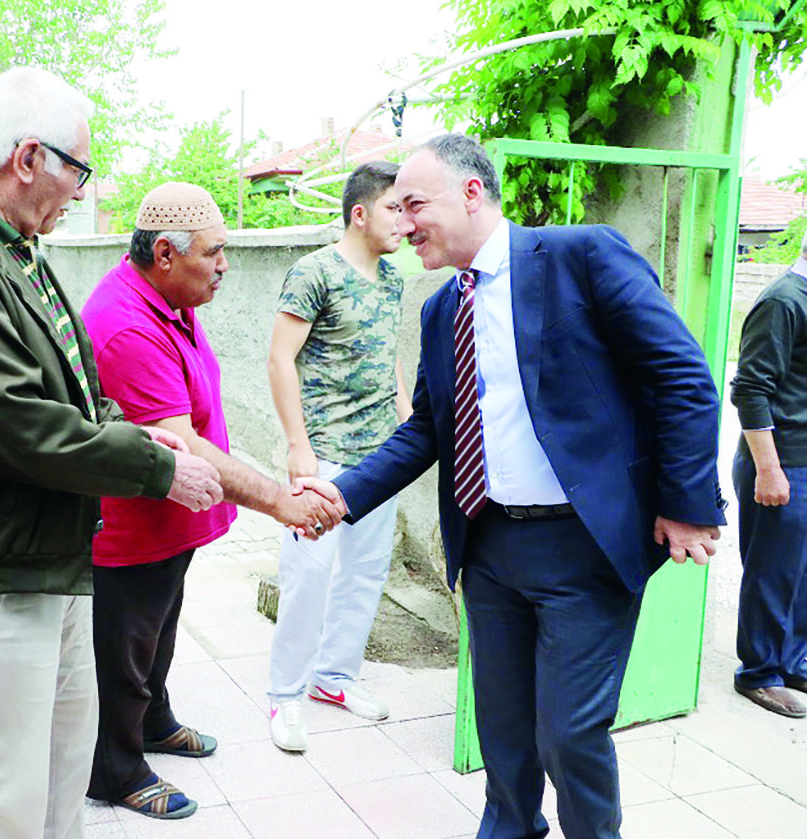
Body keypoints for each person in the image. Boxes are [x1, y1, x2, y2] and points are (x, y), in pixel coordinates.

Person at [327, 134, 725, 839]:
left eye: (414, 203)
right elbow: (427, 430)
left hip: (584, 546)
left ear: (472, 192)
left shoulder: (582, 257)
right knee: (504, 733)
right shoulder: (440, 309)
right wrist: (341, 495)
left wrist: (686, 504)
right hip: (490, 550)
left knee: (569, 735)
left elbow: (683, 376)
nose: (403, 221)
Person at [0, 70, 224, 839]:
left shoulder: (15, 249)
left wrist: (137, 434)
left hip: (51, 561)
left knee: (62, 777)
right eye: (79, 170)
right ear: (30, 157)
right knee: (3, 801)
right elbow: (21, 423)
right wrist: (161, 466)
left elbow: (80, 388)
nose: (79, 191)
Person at [80, 182, 341, 819]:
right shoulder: (125, 326)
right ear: (165, 254)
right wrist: (280, 501)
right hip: (131, 529)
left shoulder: (171, 298)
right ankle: (113, 768)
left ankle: (153, 721)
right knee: (124, 648)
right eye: (215, 253)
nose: (225, 264)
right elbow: (184, 448)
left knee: (158, 633)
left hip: (170, 525)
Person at [266, 160, 413, 752]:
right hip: (323, 453)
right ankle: (284, 697)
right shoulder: (315, 272)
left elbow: (388, 357)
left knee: (365, 571)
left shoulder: (394, 279)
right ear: (360, 213)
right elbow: (280, 360)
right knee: (306, 575)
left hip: (380, 457)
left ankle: (335, 679)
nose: (406, 220)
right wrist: (298, 447)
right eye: (395, 208)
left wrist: (409, 423)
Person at [729, 227, 807, 718]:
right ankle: (758, 673)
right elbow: (750, 389)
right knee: (772, 573)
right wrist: (769, 471)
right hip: (782, 463)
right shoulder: (784, 301)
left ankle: (793, 661)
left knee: (800, 574)